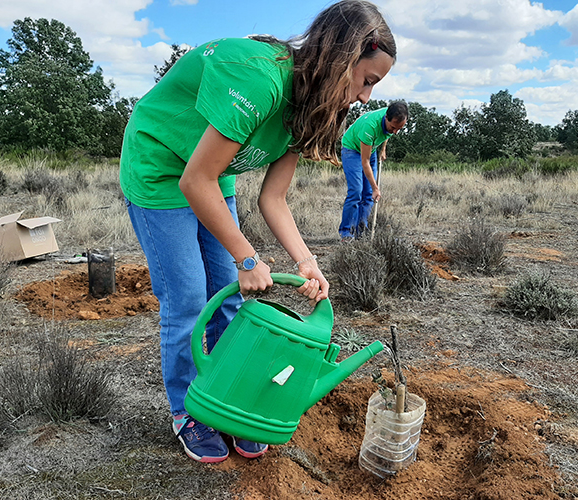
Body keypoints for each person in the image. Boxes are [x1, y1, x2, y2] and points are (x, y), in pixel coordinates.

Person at [119, 0, 397, 463]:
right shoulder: (259, 77)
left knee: (227, 296)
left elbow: (273, 198)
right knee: (188, 299)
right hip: (161, 168)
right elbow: (193, 180)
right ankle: (189, 410)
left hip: (211, 173)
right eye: (367, 80)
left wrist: (306, 263)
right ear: (342, 56)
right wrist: (248, 259)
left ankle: (233, 398)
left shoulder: (310, 104)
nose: (367, 97)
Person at [338, 101, 408, 240]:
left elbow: (387, 134)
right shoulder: (370, 127)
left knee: (369, 195)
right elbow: (365, 162)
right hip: (352, 149)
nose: (395, 132)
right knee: (356, 192)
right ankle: (346, 232)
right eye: (393, 127)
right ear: (386, 118)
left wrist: (383, 149)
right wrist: (376, 187)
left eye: (399, 129)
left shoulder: (393, 120)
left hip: (372, 149)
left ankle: (361, 232)